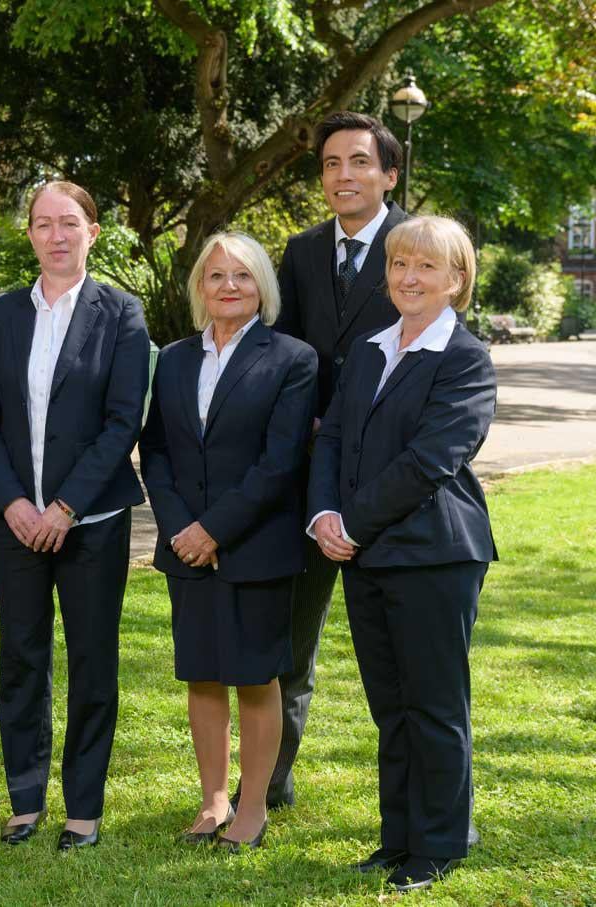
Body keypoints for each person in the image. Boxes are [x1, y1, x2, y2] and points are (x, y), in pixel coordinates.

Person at [308, 215, 496, 892]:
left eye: (426, 266)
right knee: (391, 707)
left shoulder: (466, 359)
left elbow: (430, 462)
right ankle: (398, 838)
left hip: (435, 554)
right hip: (365, 551)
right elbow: (332, 440)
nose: (409, 278)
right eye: (398, 264)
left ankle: (439, 846)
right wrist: (324, 514)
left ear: (456, 279)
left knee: (434, 705)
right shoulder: (368, 347)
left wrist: (349, 521)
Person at [0, 181, 150, 851]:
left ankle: (83, 807)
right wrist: (13, 501)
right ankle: (23, 796)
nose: (56, 235)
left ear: (92, 231)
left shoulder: (122, 314)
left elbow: (122, 420)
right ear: (32, 235)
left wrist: (65, 505)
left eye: (69, 222)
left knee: (92, 660)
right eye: (43, 224)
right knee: (21, 655)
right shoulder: (2, 313)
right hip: (13, 519)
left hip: (92, 520)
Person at [140, 232, 318, 850]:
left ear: (261, 286)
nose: (229, 286)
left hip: (256, 545)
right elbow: (156, 450)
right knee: (203, 676)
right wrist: (180, 528)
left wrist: (214, 529)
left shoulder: (293, 358)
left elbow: (280, 463)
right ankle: (213, 801)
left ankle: (252, 807)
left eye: (242, 275)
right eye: (215, 276)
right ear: (200, 289)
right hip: (185, 546)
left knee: (255, 677)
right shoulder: (177, 358)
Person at [263, 111, 407, 811]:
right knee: (291, 641)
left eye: (358, 162)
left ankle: (418, 801)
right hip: (311, 481)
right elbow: (287, 354)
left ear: (389, 173)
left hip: (390, 484)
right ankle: (272, 778)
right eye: (330, 164)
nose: (342, 176)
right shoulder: (301, 251)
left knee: (403, 657)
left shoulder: (420, 249)